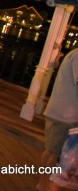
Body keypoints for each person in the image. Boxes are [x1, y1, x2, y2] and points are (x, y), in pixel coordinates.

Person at [37, 48, 78, 191]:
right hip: (64, 114)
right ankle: (44, 185)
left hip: (64, 113)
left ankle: (46, 184)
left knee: (53, 150)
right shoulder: (77, 56)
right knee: (54, 152)